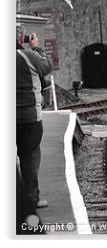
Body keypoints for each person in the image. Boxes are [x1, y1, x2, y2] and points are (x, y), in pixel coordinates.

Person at [16, 26, 52, 210]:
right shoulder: (28, 56)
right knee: (29, 157)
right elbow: (46, 66)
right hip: (29, 116)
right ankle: (31, 199)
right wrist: (36, 47)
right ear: (20, 38)